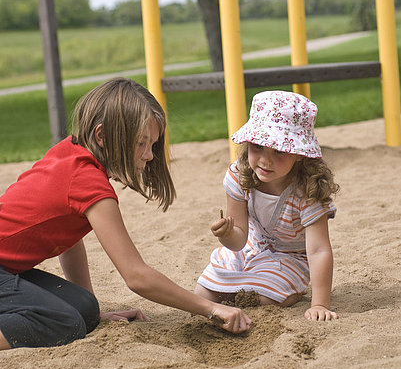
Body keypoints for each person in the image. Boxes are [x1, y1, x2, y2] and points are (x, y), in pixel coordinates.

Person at [0, 78, 251, 350]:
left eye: (152, 144)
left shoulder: (70, 153)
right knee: (64, 323)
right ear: (102, 137)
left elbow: (69, 238)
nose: (149, 155)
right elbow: (137, 276)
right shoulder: (89, 183)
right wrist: (210, 308)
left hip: (8, 269)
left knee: (84, 310)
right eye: (141, 143)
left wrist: (93, 312)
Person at [195, 90, 339, 322]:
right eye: (258, 146)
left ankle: (276, 292)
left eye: (279, 151)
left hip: (289, 257)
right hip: (250, 247)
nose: (265, 160)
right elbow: (238, 240)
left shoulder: (307, 191)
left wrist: (320, 304)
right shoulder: (239, 175)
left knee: (265, 298)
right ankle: (237, 289)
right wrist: (227, 233)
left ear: (299, 154)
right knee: (203, 291)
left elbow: (319, 250)